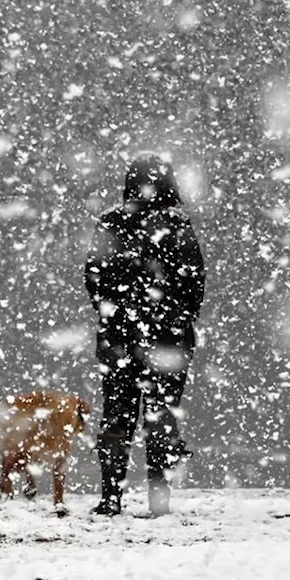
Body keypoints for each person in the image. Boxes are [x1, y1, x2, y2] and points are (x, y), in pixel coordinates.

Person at [84, 155, 206, 517]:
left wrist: (116, 312)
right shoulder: (177, 224)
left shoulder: (111, 222)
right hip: (167, 340)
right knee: (161, 414)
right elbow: (194, 281)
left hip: (119, 338)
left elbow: (94, 278)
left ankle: (110, 497)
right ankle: (159, 499)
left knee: (117, 415)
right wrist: (175, 318)